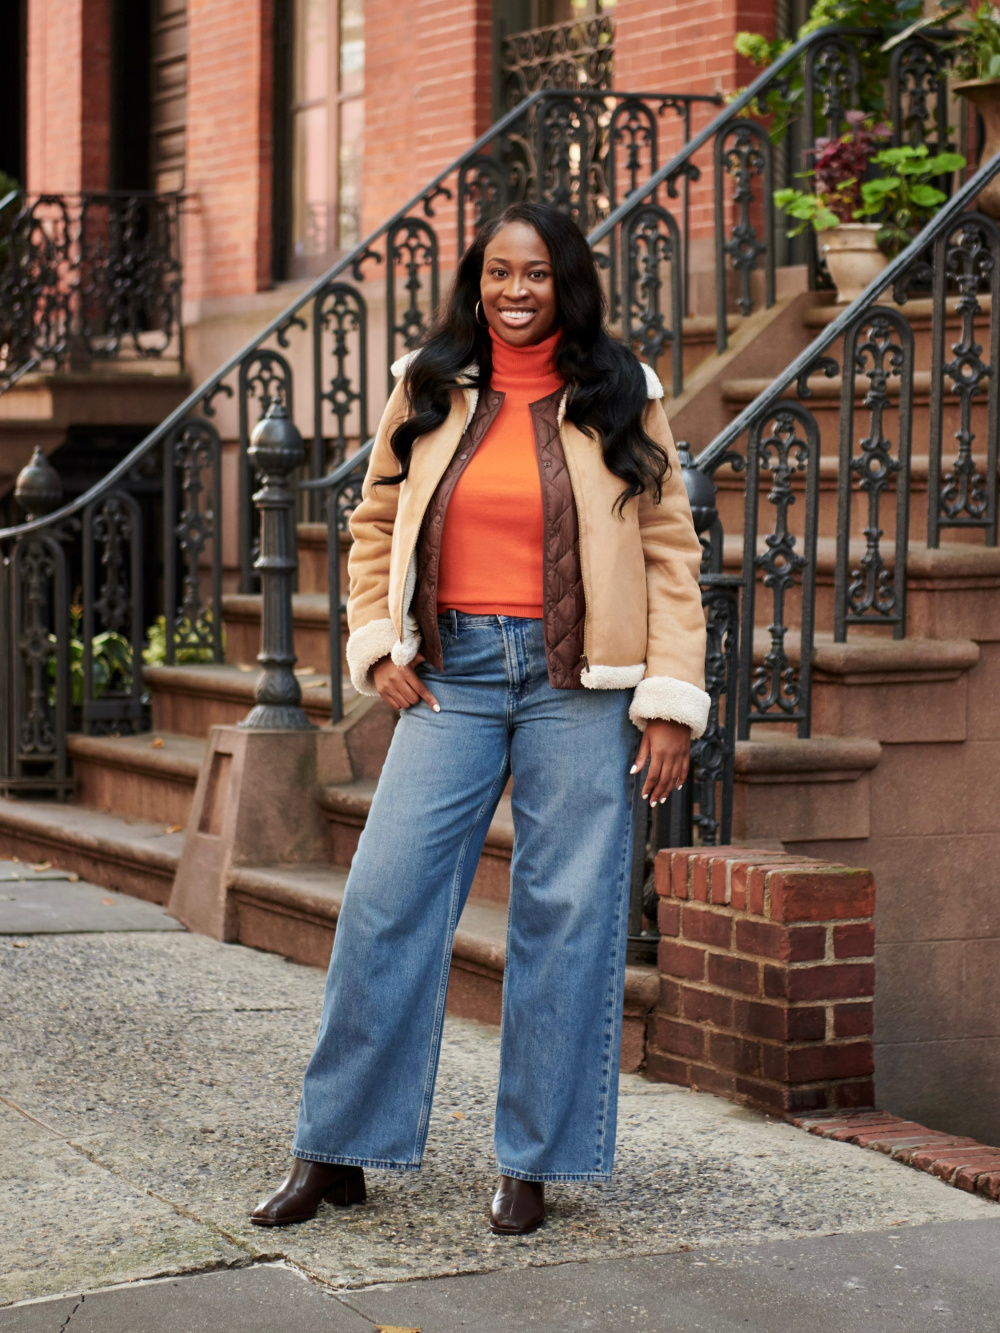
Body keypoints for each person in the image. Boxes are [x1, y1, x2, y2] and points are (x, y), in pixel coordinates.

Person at [251, 202, 709, 1236]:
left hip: (580, 685)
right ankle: (337, 1148)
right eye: (498, 272)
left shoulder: (621, 392)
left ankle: (533, 1164)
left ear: (567, 283)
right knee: (385, 904)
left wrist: (670, 699)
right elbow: (372, 524)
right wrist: (375, 641)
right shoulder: (429, 383)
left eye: (536, 273)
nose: (514, 291)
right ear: (475, 281)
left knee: (565, 920)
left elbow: (671, 552)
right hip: (452, 675)